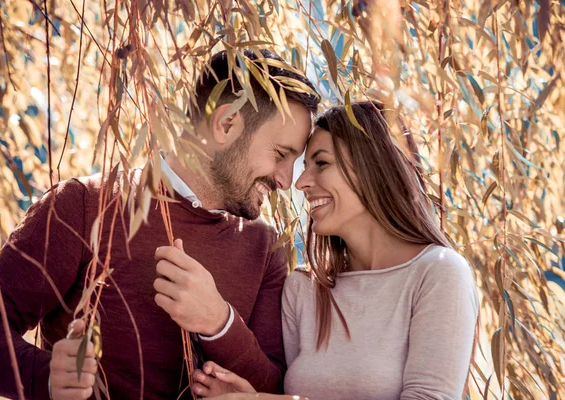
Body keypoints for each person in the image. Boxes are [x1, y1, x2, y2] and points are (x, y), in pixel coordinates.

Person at [0, 49, 320, 399]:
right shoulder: (84, 205)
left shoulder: (266, 248)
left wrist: (219, 324)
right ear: (225, 124)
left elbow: (273, 387)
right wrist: (46, 378)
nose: (286, 180)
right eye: (281, 155)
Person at [190, 101, 479, 400]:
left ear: (374, 168)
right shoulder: (302, 290)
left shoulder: (439, 273)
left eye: (322, 163)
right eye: (305, 167)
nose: (300, 183)